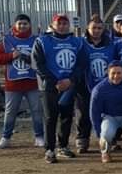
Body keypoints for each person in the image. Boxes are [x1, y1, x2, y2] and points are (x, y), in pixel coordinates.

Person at [32, 13, 85, 163]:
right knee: (50, 117)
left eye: (65, 23)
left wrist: (71, 80)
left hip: (69, 85)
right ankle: (49, 149)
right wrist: (54, 81)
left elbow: (81, 64)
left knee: (66, 117)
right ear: (53, 25)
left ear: (69, 25)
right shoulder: (42, 41)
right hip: (49, 86)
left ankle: (63, 146)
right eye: (59, 23)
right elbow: (37, 63)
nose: (62, 26)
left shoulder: (77, 42)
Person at [0, 14, 43, 149]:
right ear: (15, 25)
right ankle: (6, 137)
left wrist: (31, 58)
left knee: (36, 111)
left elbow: (42, 57)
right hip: (13, 84)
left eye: (25, 23)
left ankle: (39, 136)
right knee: (10, 112)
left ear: (29, 25)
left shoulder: (36, 40)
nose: (22, 26)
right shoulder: (6, 41)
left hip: (32, 82)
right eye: (20, 23)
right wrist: (11, 55)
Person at [89, 61, 122, 163]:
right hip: (110, 117)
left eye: (119, 73)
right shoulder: (99, 90)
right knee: (106, 134)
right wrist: (98, 133)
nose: (116, 76)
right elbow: (94, 113)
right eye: (112, 73)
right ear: (108, 74)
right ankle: (105, 152)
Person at [76, 15, 116, 153]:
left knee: (109, 113)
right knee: (84, 113)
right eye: (94, 28)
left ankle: (110, 139)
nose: (96, 30)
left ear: (103, 29)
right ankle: (83, 140)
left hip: (106, 84)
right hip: (85, 84)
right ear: (88, 28)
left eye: (99, 28)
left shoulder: (111, 44)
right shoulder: (81, 43)